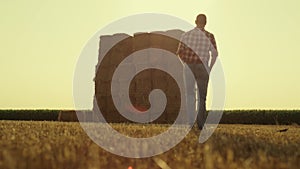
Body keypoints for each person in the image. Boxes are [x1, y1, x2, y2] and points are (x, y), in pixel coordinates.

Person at [176, 14, 218, 129]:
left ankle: (190, 123)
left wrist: (185, 64)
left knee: (190, 95)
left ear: (195, 21)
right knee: (202, 96)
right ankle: (200, 124)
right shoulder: (210, 36)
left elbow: (179, 52)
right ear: (205, 22)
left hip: (189, 65)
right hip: (203, 66)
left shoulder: (186, 35)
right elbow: (215, 54)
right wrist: (209, 67)